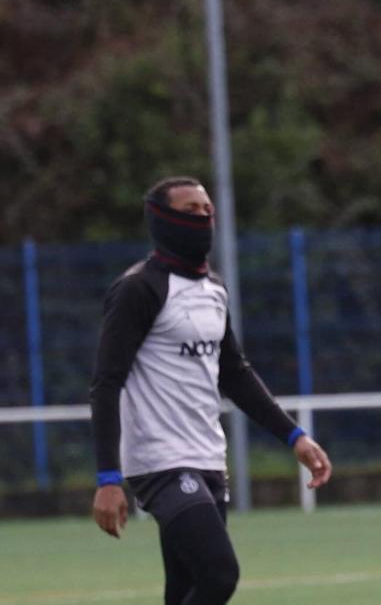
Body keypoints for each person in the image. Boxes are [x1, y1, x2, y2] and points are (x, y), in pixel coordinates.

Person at [90, 176, 333, 604]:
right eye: (190, 211)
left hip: (207, 455)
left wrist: (294, 436)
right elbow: (107, 384)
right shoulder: (139, 289)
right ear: (161, 220)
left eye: (208, 211)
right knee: (220, 574)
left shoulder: (214, 289)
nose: (203, 219)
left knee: (185, 589)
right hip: (160, 458)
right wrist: (108, 477)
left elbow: (234, 372)